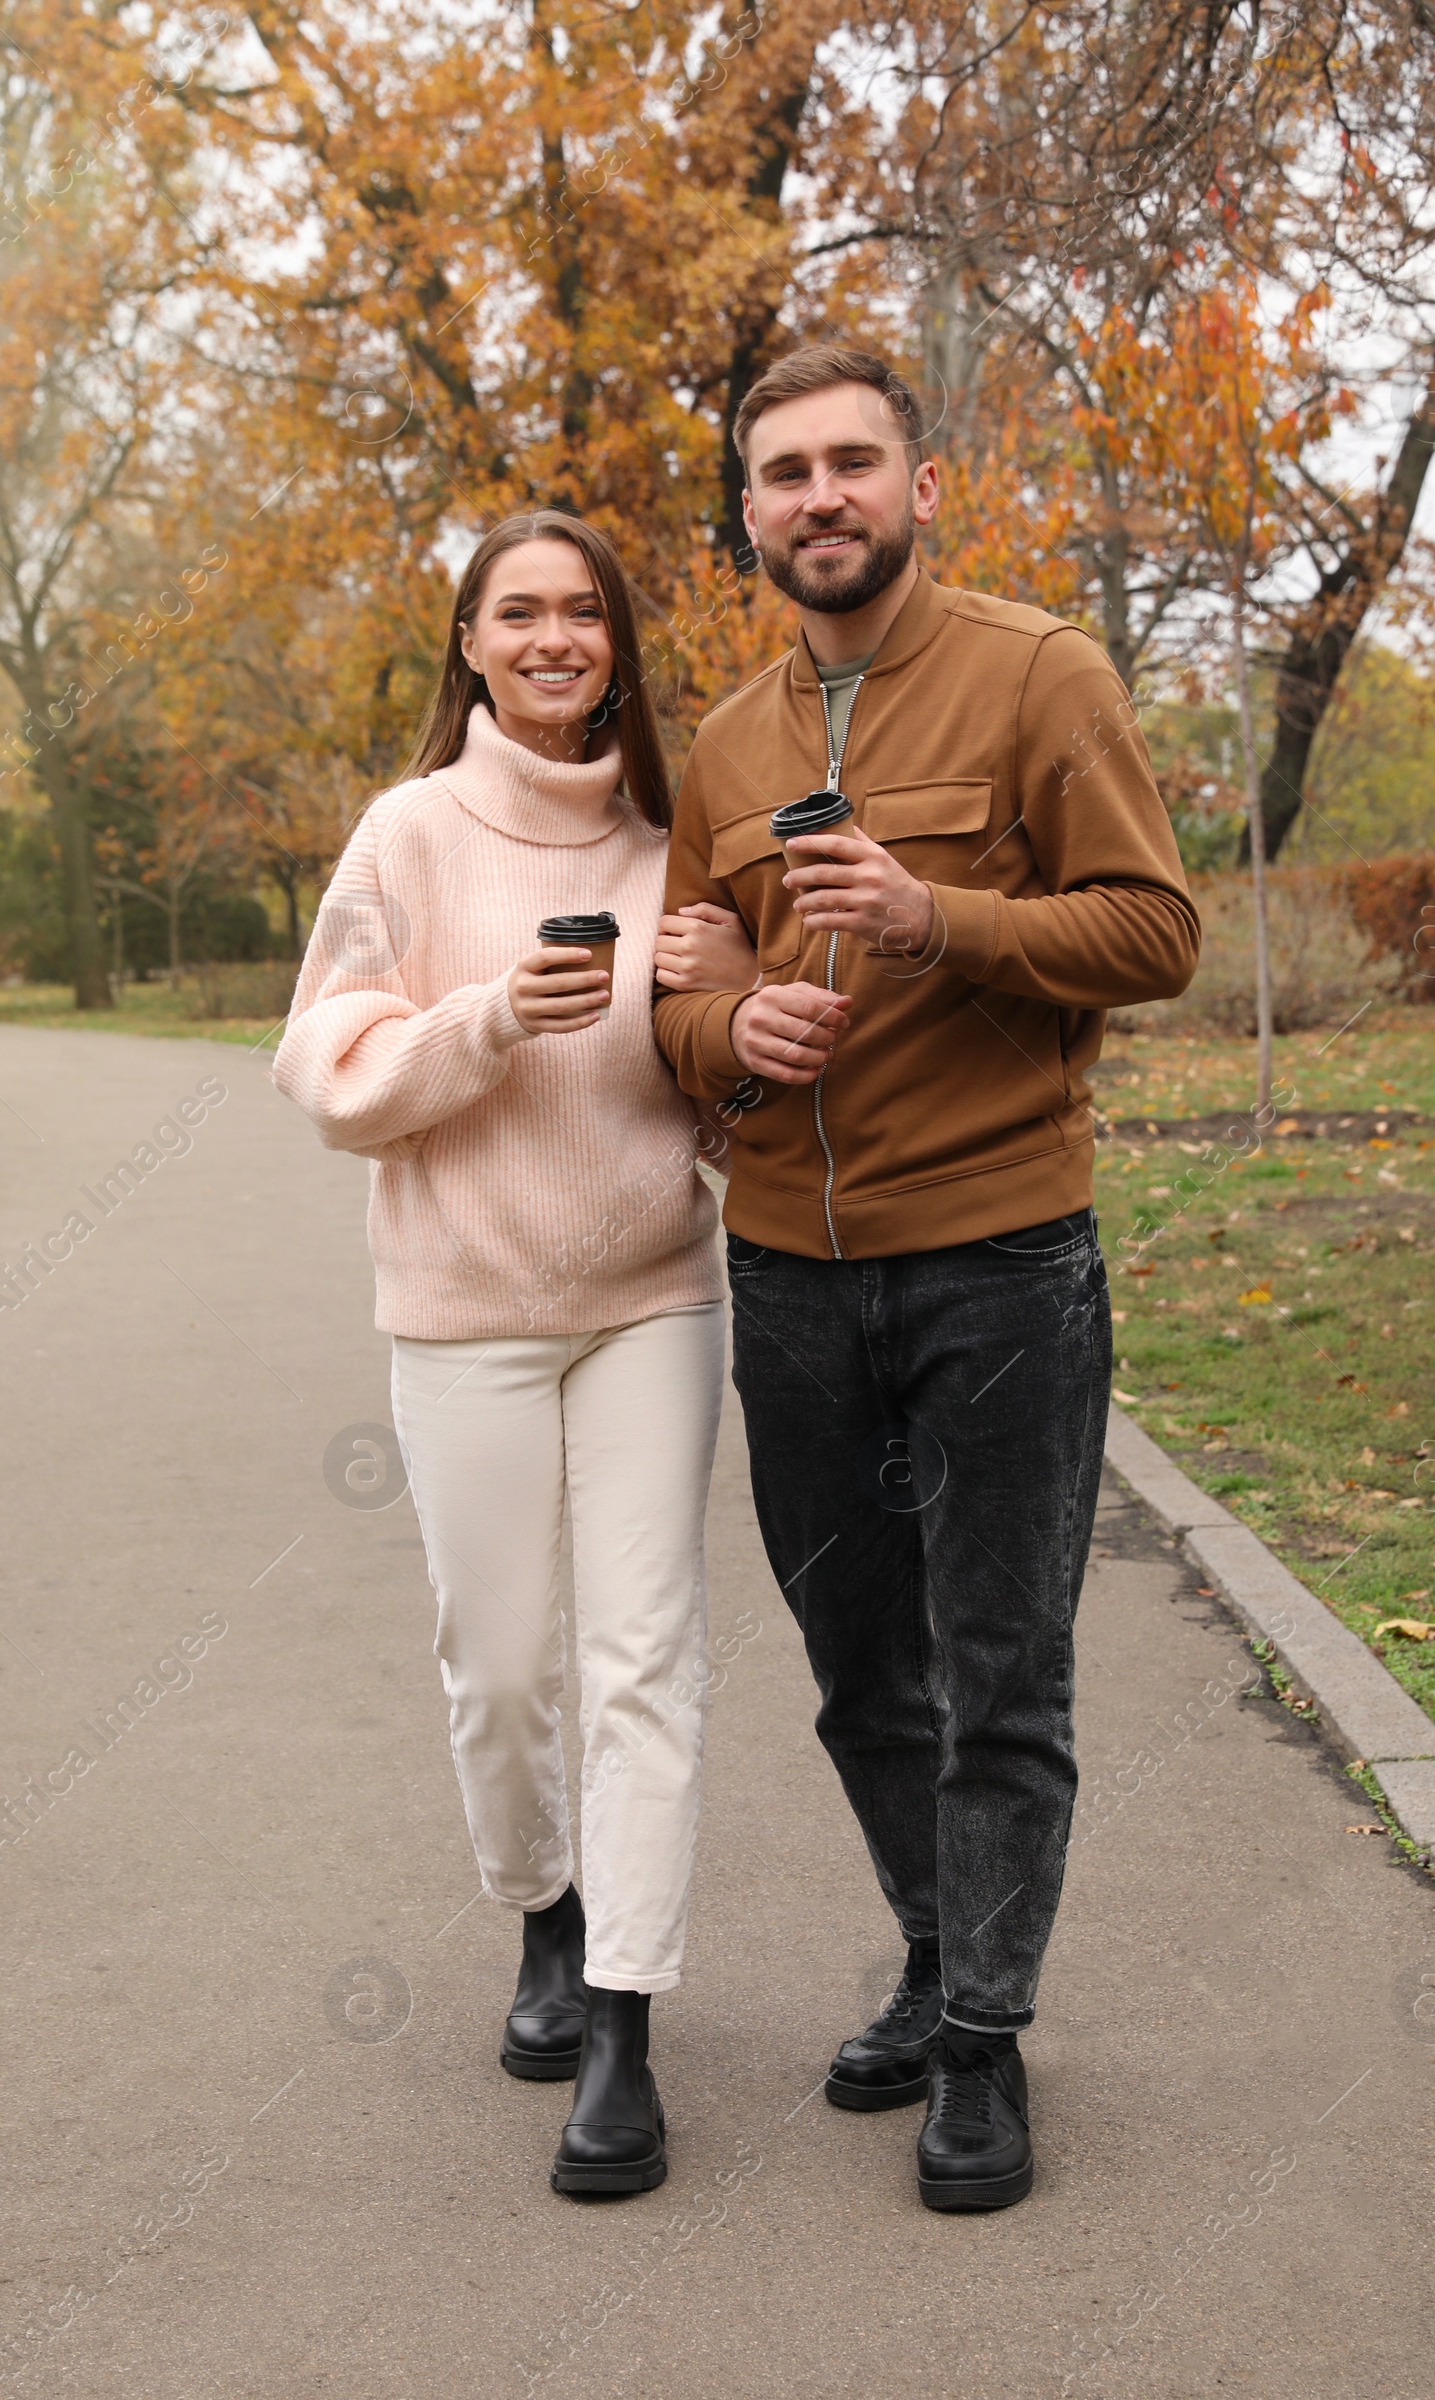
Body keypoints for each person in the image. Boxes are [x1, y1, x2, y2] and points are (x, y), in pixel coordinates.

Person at [653, 345, 1200, 2212]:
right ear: (749, 513)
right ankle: (934, 1943)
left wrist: (936, 917)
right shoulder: (722, 743)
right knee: (858, 1670)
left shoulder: (1042, 675)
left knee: (1001, 1670)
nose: (822, 498)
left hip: (1002, 1262)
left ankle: (983, 2039)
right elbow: (677, 998)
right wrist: (737, 1031)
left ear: (919, 483)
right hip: (792, 1279)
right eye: (785, 473)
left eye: (853, 464)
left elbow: (1154, 929)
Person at [274, 510, 758, 2198]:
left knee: (644, 1659)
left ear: (616, 644)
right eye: (519, 614)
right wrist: (487, 1023)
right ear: (472, 646)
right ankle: (543, 1911)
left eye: (583, 614)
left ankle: (621, 2022)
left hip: (651, 1299)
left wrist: (733, 991)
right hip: (466, 1311)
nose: (556, 639)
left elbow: (723, 1096)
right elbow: (323, 1076)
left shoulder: (672, 838)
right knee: (500, 1667)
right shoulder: (405, 837)